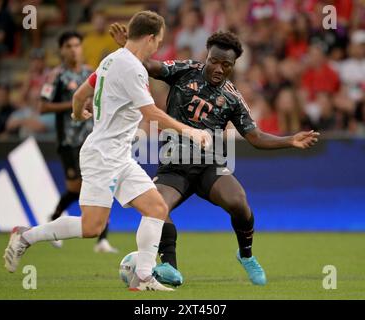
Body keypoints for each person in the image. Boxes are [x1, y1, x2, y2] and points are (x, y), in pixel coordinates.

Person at [3, 10, 211, 292]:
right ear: (149, 38)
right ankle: (26, 236)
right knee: (92, 227)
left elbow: (79, 96)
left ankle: (144, 277)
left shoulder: (111, 60)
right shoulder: (132, 68)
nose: (158, 47)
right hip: (102, 155)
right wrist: (191, 131)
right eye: (158, 41)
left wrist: (78, 114)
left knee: (157, 208)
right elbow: (150, 112)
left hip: (119, 155)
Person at [109, 25, 319, 286]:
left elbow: (255, 137)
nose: (219, 68)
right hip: (174, 166)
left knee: (239, 202)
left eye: (226, 65)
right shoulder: (185, 70)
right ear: (206, 56)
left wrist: (290, 140)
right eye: (214, 61)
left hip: (209, 165)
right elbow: (149, 66)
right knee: (156, 209)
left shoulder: (232, 98)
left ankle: (246, 255)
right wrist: (127, 49)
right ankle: (170, 267)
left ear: (233, 66)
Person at [38, 31, 117, 253]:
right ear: (61, 50)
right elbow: (42, 107)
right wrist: (75, 103)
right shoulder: (56, 75)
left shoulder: (90, 72)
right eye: (69, 46)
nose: (74, 50)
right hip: (69, 141)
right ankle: (53, 219)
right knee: (76, 189)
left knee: (100, 185)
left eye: (77, 45)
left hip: (92, 140)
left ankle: (102, 240)